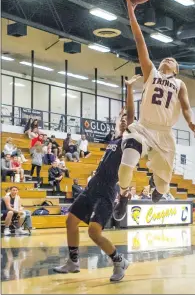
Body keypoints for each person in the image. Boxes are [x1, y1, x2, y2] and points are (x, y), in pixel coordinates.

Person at [113, 0, 195, 221]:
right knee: (127, 162)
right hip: (143, 128)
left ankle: (155, 184)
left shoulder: (179, 84)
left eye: (173, 60)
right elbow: (140, 40)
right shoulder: (150, 72)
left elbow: (187, 107)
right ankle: (123, 196)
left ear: (177, 69)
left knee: (162, 188)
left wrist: (190, 121)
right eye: (166, 58)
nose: (169, 59)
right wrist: (131, 12)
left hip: (164, 135)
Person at [53, 75, 139, 282]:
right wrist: (120, 114)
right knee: (70, 221)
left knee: (94, 232)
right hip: (92, 187)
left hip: (107, 190)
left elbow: (131, 115)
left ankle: (119, 261)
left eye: (126, 119)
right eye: (122, 118)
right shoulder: (114, 137)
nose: (123, 120)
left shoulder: (130, 138)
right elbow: (121, 118)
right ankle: (73, 262)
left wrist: (128, 90)